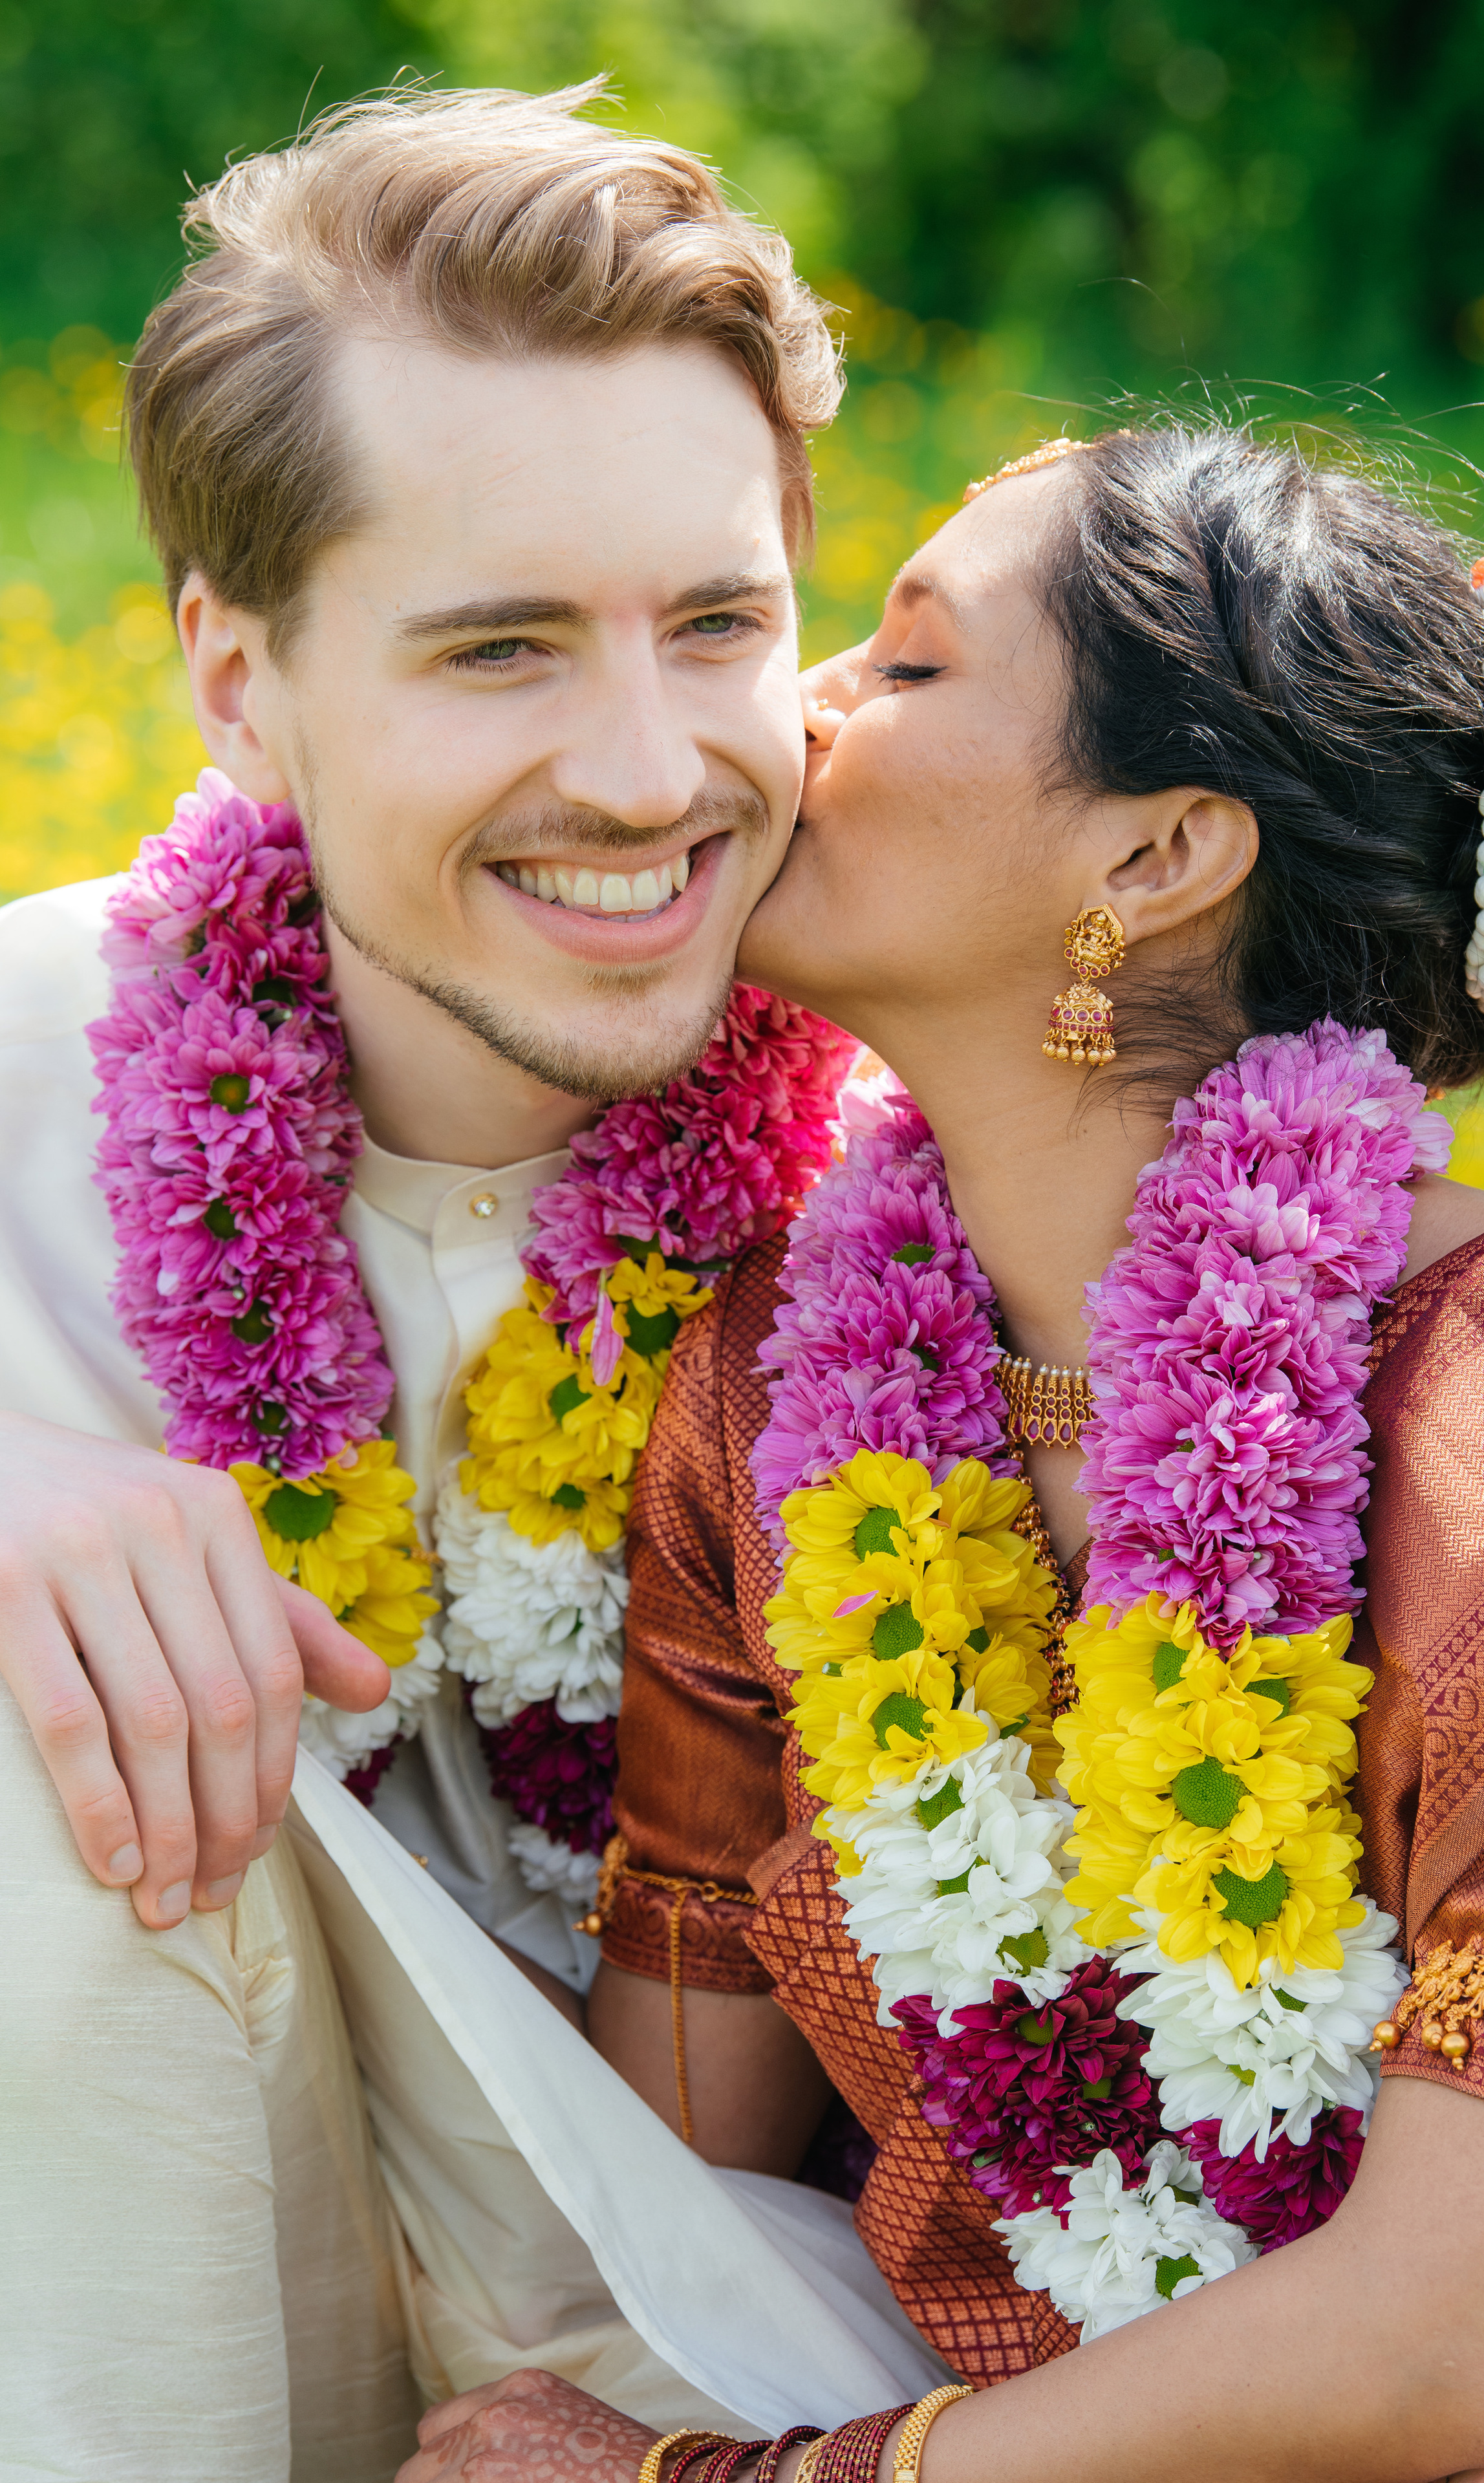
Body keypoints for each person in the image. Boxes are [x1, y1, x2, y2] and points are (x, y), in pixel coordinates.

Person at [406, 429, 1484, 2482]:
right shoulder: (766, 1390)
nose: (784, 713)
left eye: (899, 668)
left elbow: (1453, 2352)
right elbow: (673, 2174)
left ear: (1155, 860)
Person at [0, 78, 863, 2482]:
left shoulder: (942, 1162)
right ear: (236, 682)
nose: (645, 770)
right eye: (498, 649)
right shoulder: (25, 1055)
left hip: (757, 2359)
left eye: (716, 623)